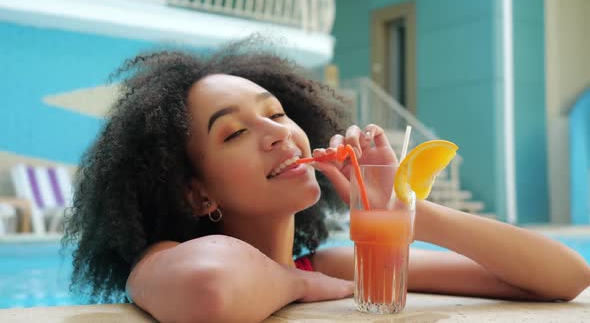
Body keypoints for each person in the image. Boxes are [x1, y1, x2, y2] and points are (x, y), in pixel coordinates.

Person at [63, 39, 590, 323]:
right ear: (195, 193)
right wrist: (305, 285)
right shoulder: (161, 258)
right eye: (235, 132)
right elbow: (211, 288)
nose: (276, 133)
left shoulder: (335, 262)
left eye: (276, 113)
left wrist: (399, 210)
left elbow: (564, 277)